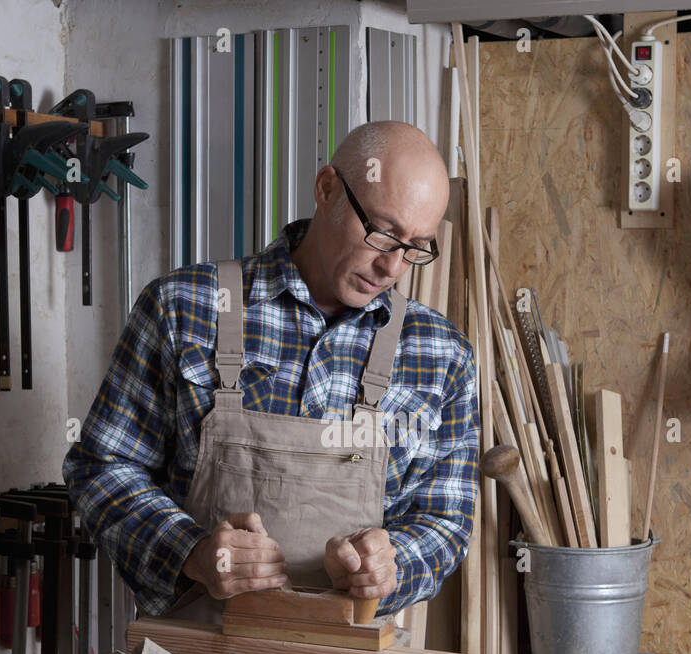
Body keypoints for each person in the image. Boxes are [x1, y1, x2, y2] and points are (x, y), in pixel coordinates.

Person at [63, 120, 479, 625]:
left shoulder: (442, 354)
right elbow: (101, 467)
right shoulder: (185, 306)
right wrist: (191, 550)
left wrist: (394, 565)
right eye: (383, 232)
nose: (392, 266)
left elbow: (446, 520)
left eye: (416, 246)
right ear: (326, 189)